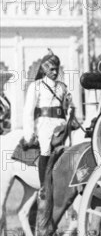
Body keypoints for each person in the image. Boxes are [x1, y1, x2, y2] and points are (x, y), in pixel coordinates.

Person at [22, 49, 72, 187]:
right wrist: (29, 134)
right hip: (44, 123)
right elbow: (28, 111)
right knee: (46, 148)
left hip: (61, 123)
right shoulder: (36, 86)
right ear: (44, 69)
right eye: (51, 69)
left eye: (56, 69)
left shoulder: (62, 87)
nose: (55, 72)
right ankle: (44, 186)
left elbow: (67, 107)